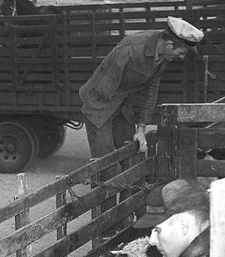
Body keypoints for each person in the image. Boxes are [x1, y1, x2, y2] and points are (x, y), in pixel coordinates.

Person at [78, 16, 205, 159]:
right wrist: (104, 129)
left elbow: (151, 93)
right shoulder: (131, 49)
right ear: (169, 44)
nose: (181, 57)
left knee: (130, 152)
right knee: (105, 161)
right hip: (98, 103)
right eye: (181, 53)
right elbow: (103, 86)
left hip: (122, 102)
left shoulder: (163, 56)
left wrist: (141, 128)